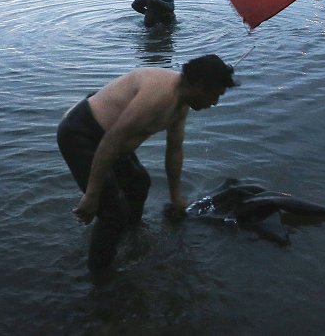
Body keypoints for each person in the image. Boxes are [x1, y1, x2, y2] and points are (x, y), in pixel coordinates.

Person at [57, 54, 237, 271]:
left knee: (139, 183)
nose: (215, 103)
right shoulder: (159, 94)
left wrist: (175, 196)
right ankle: (100, 275)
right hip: (81, 134)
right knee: (113, 213)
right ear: (199, 85)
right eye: (215, 95)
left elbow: (174, 150)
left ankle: (130, 233)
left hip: (110, 141)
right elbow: (112, 140)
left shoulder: (181, 104)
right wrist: (92, 195)